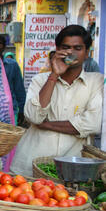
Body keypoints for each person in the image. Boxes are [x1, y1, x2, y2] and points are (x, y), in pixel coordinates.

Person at [10, 25, 104, 176]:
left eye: (77, 48)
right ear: (57, 50)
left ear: (87, 53)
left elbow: (91, 124)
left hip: (72, 170)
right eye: (65, 47)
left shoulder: (96, 82)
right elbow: (34, 116)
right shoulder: (40, 80)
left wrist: (45, 124)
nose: (70, 53)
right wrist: (54, 75)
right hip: (30, 165)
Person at [0, 34, 27, 126]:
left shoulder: (12, 65)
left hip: (9, 110)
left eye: (0, 43)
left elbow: (19, 89)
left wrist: (22, 110)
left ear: (4, 47)